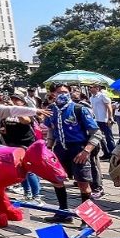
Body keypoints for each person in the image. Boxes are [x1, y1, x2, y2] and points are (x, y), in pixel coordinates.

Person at [43, 83, 105, 222]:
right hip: (59, 149)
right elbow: (52, 130)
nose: (63, 94)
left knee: (83, 184)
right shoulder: (51, 109)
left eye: (65, 91)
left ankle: (88, 219)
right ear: (53, 94)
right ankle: (63, 212)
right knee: (57, 180)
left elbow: (97, 133)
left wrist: (86, 151)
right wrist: (48, 147)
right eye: (59, 92)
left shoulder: (79, 109)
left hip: (78, 149)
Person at [2, 93, 44, 205]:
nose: (14, 101)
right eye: (12, 99)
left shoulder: (26, 111)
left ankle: (37, 196)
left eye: (17, 100)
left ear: (23, 103)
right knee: (19, 170)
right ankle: (27, 193)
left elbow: (25, 121)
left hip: (26, 143)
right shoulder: (8, 112)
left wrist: (15, 109)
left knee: (29, 170)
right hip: (13, 144)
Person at [88, 84, 115, 158]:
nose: (90, 89)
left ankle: (113, 154)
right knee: (99, 137)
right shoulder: (91, 98)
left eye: (91, 87)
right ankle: (106, 152)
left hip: (104, 119)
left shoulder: (102, 96)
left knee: (109, 137)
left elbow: (109, 107)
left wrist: (110, 118)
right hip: (96, 119)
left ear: (97, 88)